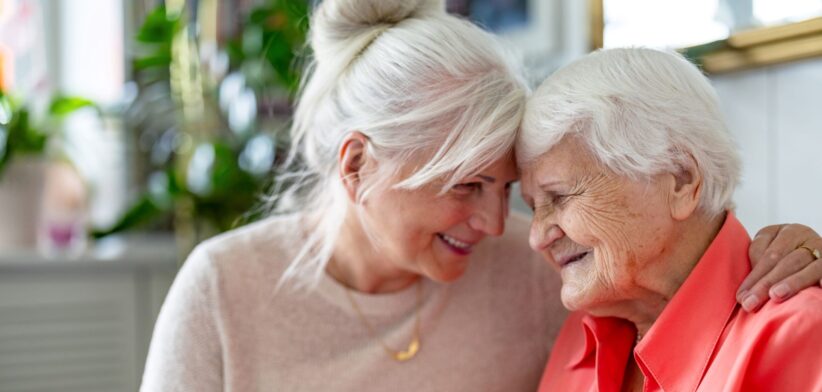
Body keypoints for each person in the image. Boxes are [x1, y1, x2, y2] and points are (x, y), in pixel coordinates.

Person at [141, 2, 822, 391]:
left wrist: (794, 251)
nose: (504, 224)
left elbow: (684, 267)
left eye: (508, 190)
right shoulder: (222, 289)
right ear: (355, 168)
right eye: (466, 185)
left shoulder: (538, 287)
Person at [521, 48, 822, 392]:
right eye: (532, 206)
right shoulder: (580, 337)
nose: (537, 236)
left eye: (559, 197)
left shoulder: (798, 334)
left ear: (680, 179)